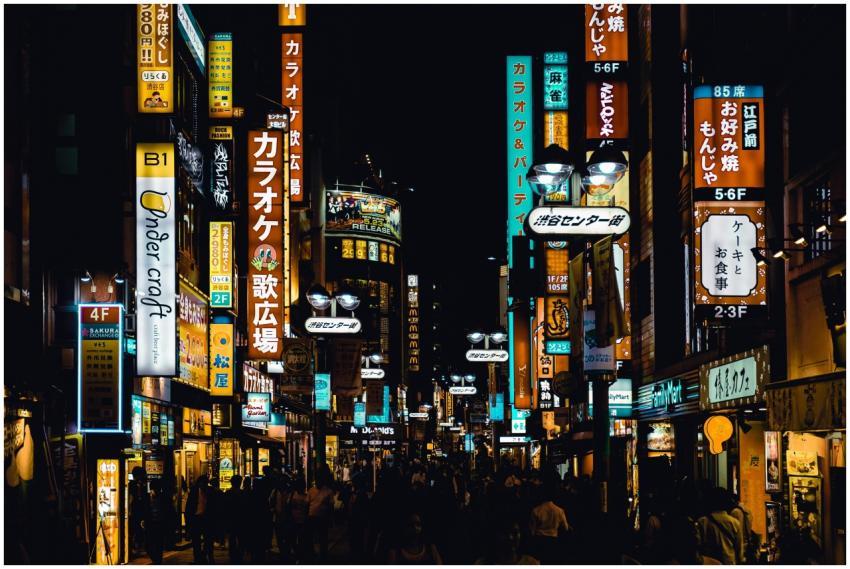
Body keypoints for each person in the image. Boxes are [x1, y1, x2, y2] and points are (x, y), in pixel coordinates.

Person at [696, 487, 744, 564]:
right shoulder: (734, 523)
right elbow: (739, 550)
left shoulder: (702, 521)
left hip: (710, 563)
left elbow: (699, 546)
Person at [527, 485, 569, 564]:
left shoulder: (536, 510)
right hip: (553, 540)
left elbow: (532, 530)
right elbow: (565, 528)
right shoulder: (559, 510)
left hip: (539, 540)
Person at [475, 517, 539, 565]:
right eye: (505, 533)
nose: (510, 537)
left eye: (515, 533)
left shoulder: (531, 563)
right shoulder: (481, 564)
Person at [307, 464, 335, 561]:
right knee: (315, 538)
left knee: (322, 538)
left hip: (322, 518)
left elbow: (331, 506)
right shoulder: (312, 490)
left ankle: (322, 555)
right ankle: (315, 554)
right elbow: (307, 504)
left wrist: (331, 518)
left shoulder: (328, 491)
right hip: (313, 517)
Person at [184, 475, 214, 563]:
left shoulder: (210, 491)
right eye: (202, 483)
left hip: (207, 519)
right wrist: (188, 521)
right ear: (199, 483)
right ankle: (198, 559)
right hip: (196, 518)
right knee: (196, 541)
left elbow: (214, 506)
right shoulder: (194, 491)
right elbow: (189, 507)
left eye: (206, 483)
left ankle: (205, 556)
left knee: (208, 540)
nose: (204, 485)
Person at [287, 476, 310, 562]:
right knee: (295, 539)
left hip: (301, 520)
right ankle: (299, 555)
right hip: (296, 520)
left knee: (300, 540)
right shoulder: (302, 496)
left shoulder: (296, 495)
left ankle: (299, 555)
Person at [144, 480, 166, 564]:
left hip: (159, 523)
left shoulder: (163, 497)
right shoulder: (147, 497)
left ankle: (157, 561)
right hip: (151, 523)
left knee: (158, 544)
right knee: (149, 545)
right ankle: (156, 560)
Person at [224, 475, 244, 563]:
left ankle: (233, 555)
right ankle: (239, 555)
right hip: (240, 519)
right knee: (241, 538)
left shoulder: (228, 493)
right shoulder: (243, 494)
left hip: (230, 519)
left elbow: (224, 508)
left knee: (232, 538)